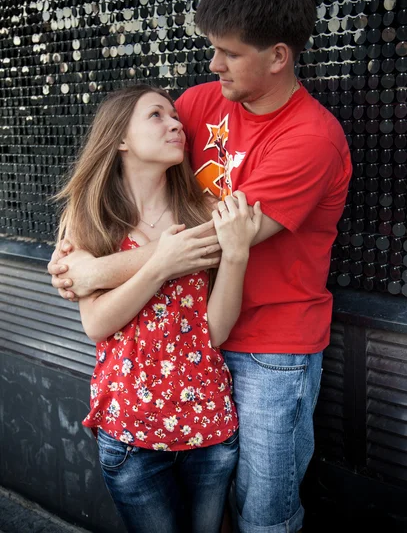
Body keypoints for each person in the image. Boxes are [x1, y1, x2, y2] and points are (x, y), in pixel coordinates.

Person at [49, 0, 352, 533]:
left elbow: (218, 240)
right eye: (212, 49)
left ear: (278, 56)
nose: (213, 65)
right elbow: (121, 161)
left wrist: (97, 272)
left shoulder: (311, 139)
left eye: (229, 53)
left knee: (262, 513)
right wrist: (69, 245)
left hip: (271, 348)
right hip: (192, 344)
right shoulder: (200, 103)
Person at [54, 83, 262, 533]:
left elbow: (217, 331)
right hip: (131, 434)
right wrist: (160, 264)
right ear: (121, 139)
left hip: (208, 427)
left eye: (175, 116)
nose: (175, 124)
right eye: (156, 116)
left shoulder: (203, 208)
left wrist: (238, 254)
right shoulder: (90, 217)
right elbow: (96, 323)